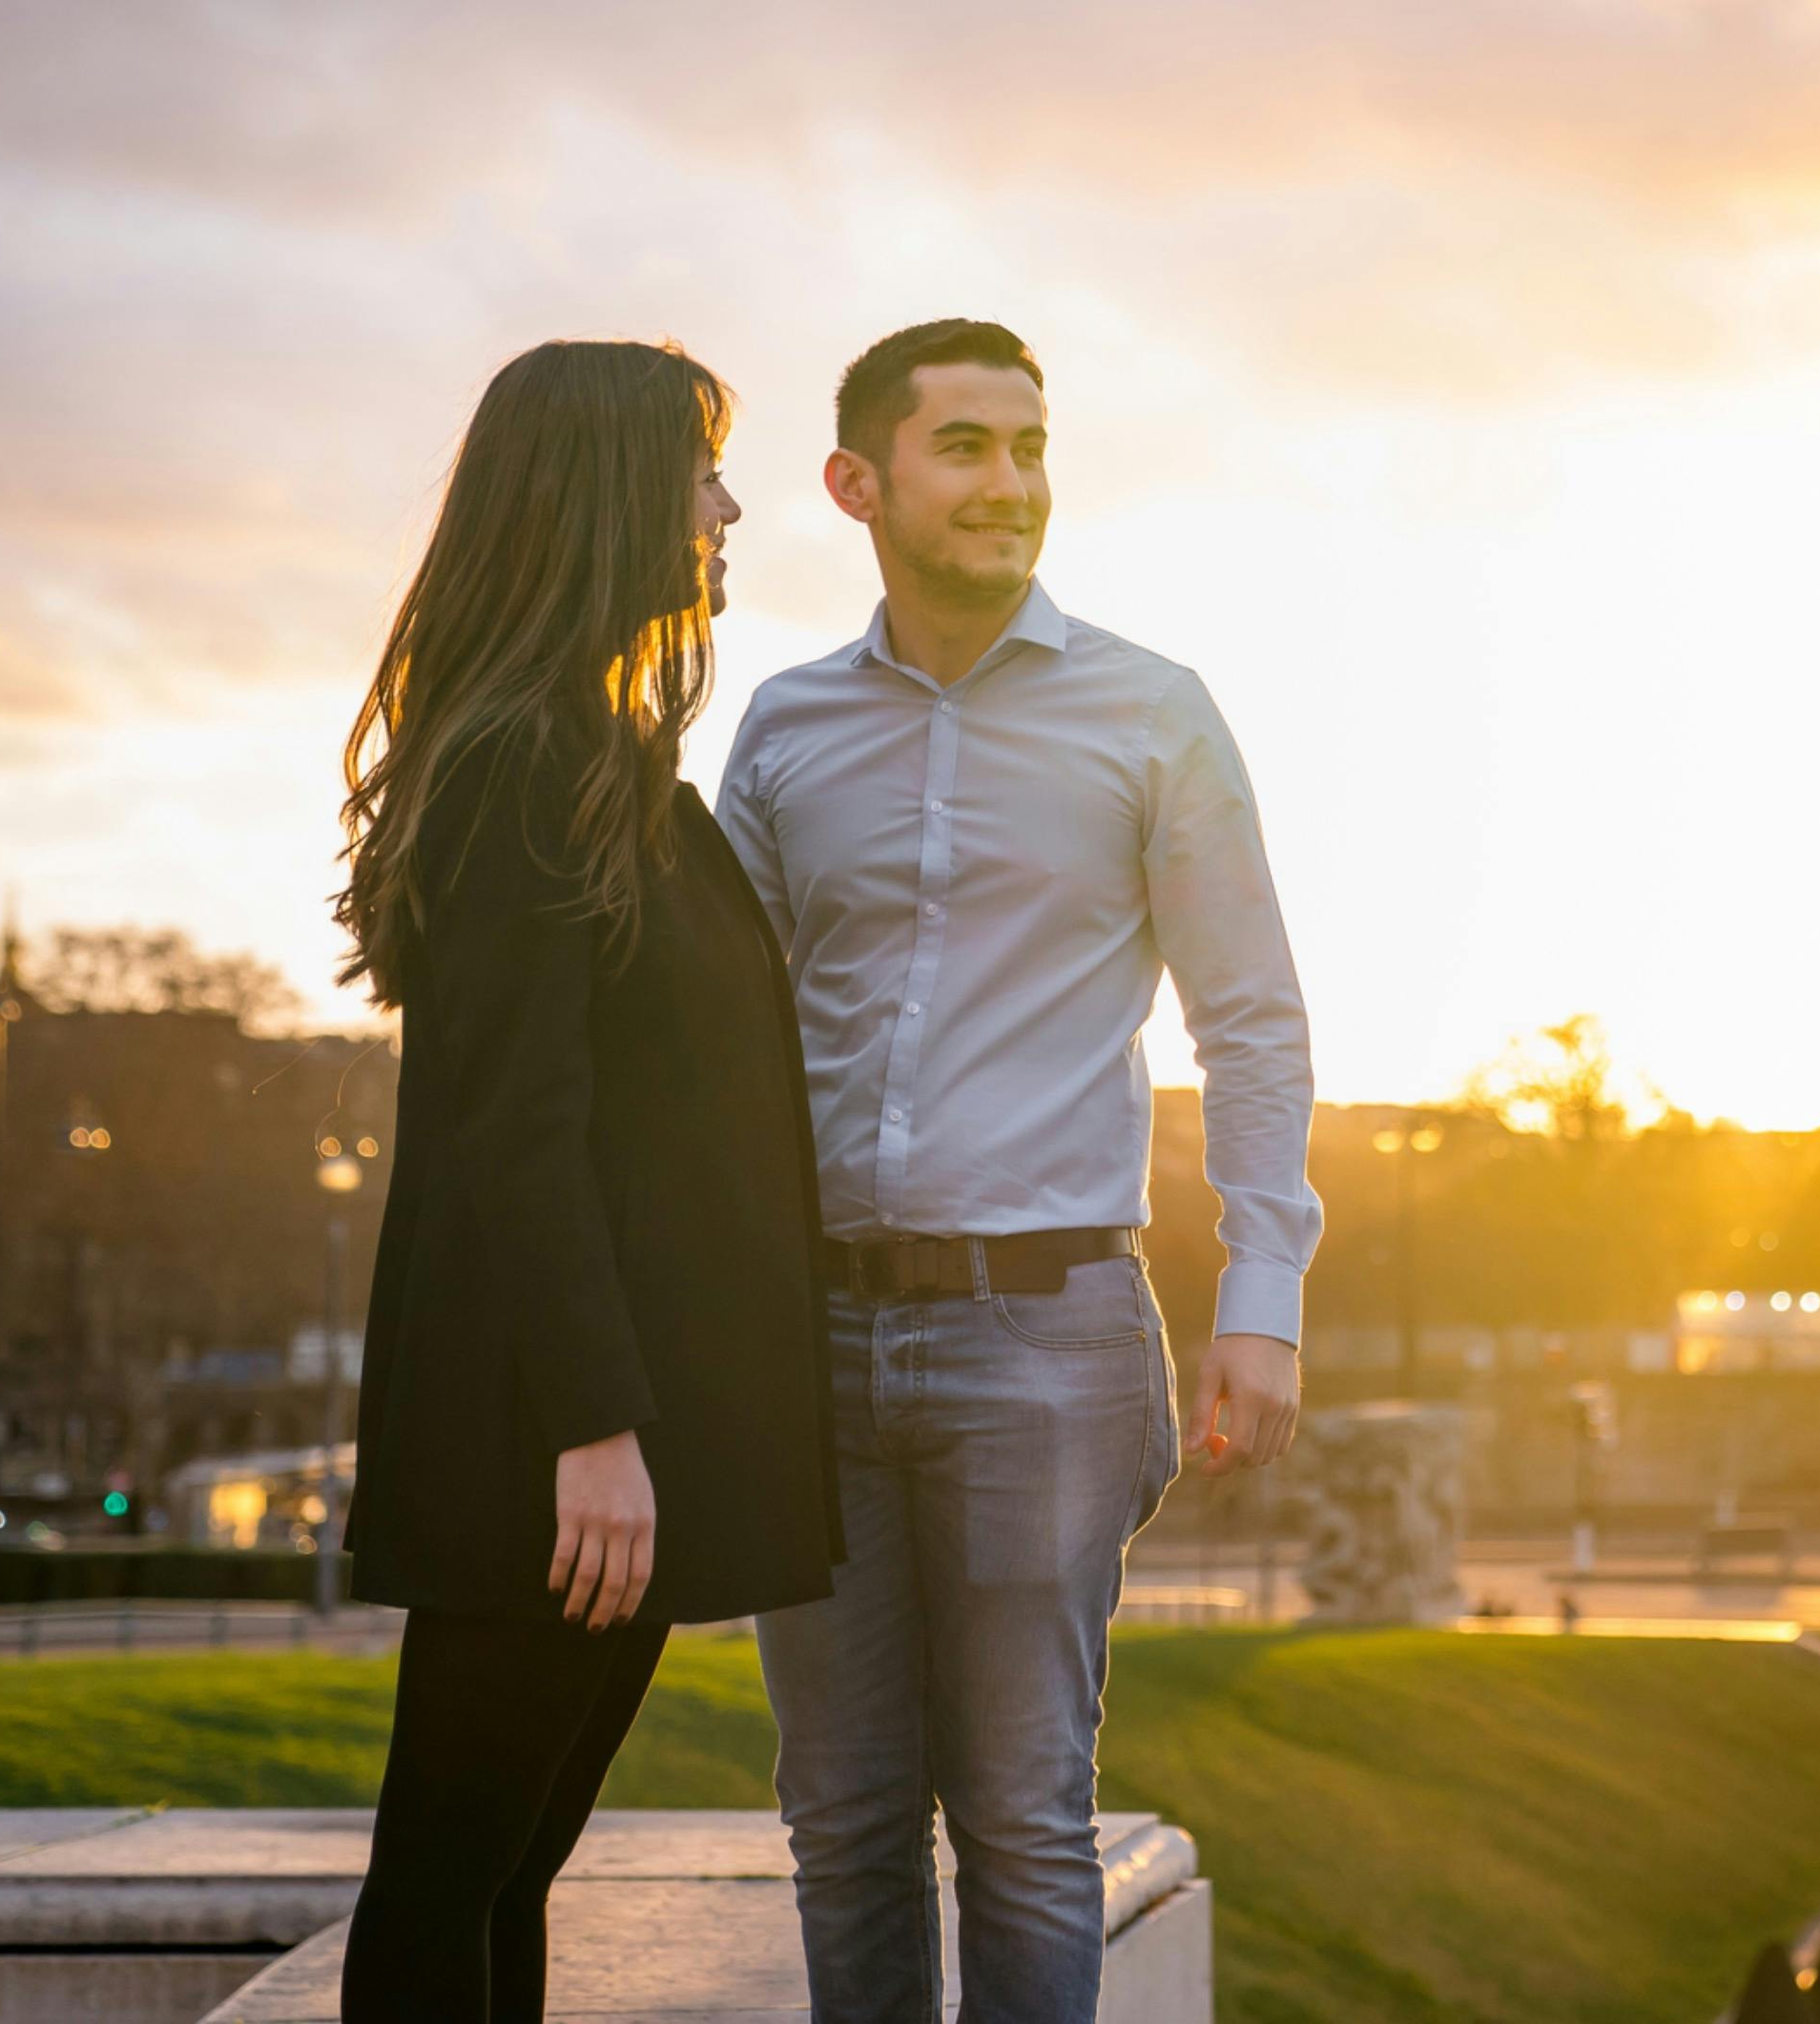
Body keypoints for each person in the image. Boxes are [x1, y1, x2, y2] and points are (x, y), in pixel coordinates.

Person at [720, 318, 1317, 2021]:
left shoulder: (1154, 714)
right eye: (965, 445)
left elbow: (1253, 1023)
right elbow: (731, 1051)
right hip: (810, 1339)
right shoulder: (781, 728)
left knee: (1026, 1822)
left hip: (1042, 1334)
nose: (1010, 483)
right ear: (859, 481)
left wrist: (1260, 1297)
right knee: (838, 1822)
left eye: (1030, 445)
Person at [329, 341, 843, 2023]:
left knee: (509, 1869)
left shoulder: (597, 760)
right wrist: (594, 1425)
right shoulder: (518, 767)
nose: (727, 507)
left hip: (599, 1433)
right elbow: (512, 1127)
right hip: (544, 1442)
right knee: (448, 1876)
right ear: (604, 493)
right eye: (698, 470)